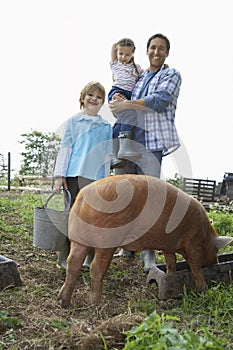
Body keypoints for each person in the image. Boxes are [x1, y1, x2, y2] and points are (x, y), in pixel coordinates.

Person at [109, 33, 182, 272]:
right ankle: (129, 246)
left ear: (167, 53)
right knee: (127, 195)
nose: (156, 52)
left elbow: (159, 100)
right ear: (147, 50)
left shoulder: (171, 74)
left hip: (151, 143)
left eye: (161, 48)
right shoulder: (139, 78)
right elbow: (127, 101)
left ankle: (148, 255)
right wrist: (118, 102)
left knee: (150, 198)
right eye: (153, 48)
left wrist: (126, 105)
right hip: (131, 140)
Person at [53, 81, 112, 269]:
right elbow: (65, 149)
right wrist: (59, 175)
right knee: (71, 214)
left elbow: (107, 156)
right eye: (90, 95)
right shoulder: (73, 122)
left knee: (93, 217)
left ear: (103, 102)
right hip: (73, 175)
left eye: (99, 97)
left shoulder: (106, 127)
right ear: (83, 98)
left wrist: (105, 181)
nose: (94, 99)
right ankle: (66, 256)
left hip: (94, 179)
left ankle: (89, 258)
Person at [108, 38, 144, 168]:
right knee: (127, 115)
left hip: (130, 96)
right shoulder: (116, 64)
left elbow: (149, 74)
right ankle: (123, 149)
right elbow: (113, 47)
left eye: (127, 54)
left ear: (133, 54)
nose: (123, 57)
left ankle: (114, 154)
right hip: (117, 92)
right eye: (121, 54)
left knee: (124, 120)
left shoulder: (137, 68)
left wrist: (163, 69)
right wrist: (119, 45)